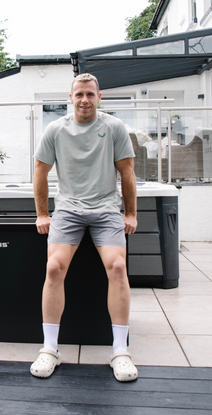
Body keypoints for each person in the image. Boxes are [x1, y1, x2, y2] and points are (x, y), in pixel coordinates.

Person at [30, 73, 138, 382]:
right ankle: (50, 349)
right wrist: (42, 213)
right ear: (70, 97)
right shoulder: (56, 130)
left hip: (106, 209)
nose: (85, 100)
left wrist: (130, 213)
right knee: (53, 268)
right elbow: (40, 170)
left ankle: (120, 351)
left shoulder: (114, 127)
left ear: (99, 97)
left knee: (117, 267)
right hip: (68, 209)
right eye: (79, 94)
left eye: (90, 94)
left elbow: (127, 172)